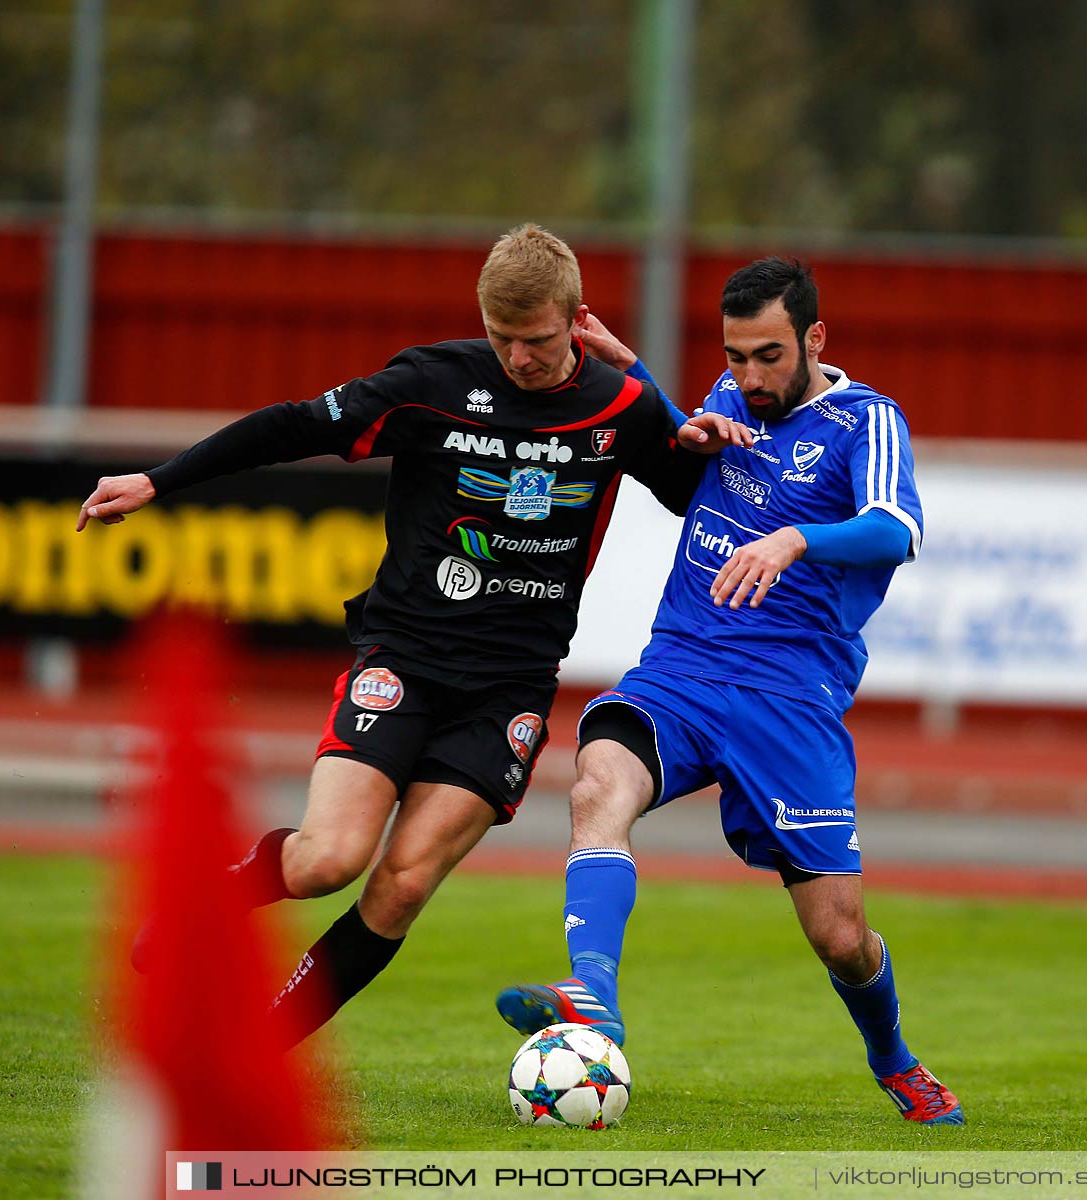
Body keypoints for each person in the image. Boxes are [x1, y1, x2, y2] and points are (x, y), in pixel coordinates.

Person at [76, 224, 748, 1048]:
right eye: (502, 338)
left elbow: (698, 493)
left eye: (535, 341)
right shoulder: (431, 380)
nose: (518, 359)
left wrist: (678, 410)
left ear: (576, 321)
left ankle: (260, 1047)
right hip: (404, 659)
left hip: (509, 688)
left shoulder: (619, 405)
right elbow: (292, 426)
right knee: (328, 860)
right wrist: (159, 477)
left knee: (400, 886)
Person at [494, 258, 963, 1125]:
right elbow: (697, 458)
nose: (749, 378)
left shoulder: (868, 422)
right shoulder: (732, 395)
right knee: (599, 781)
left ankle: (895, 1061)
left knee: (840, 938)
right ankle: (594, 992)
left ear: (815, 339)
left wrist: (795, 540)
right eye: (736, 357)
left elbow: (897, 529)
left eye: (768, 356)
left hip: (790, 698)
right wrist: (640, 379)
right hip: (683, 669)